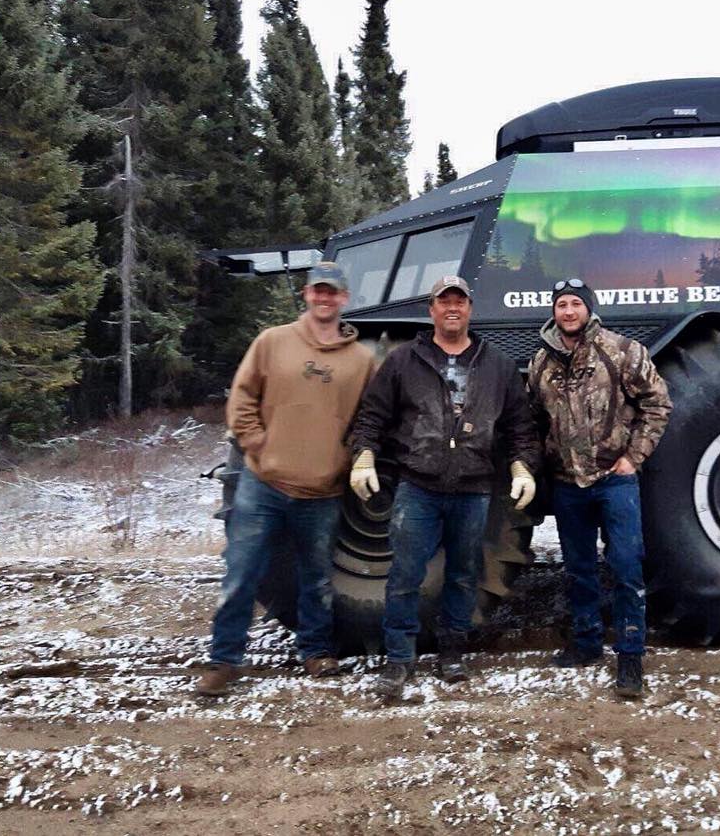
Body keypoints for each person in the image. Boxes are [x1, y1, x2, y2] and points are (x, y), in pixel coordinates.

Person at [349, 275, 540, 701]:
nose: (452, 308)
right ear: (431, 310)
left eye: (460, 301)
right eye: (443, 302)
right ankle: (399, 658)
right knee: (404, 575)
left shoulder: (497, 364)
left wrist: (523, 467)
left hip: (474, 489)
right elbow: (373, 416)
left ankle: (452, 653)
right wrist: (363, 455)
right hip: (418, 486)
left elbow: (519, 427)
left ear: (470, 309)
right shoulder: (403, 361)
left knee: (462, 575)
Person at [196, 262, 374, 697]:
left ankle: (315, 652)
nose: (325, 298)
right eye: (318, 291)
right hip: (264, 486)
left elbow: (371, 420)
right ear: (307, 294)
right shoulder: (273, 342)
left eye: (333, 292)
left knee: (316, 578)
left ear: (345, 299)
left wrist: (346, 461)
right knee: (241, 572)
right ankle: (223, 661)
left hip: (323, 492)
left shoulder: (362, 360)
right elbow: (242, 397)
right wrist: (260, 446)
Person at [527, 279, 672, 698]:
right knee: (579, 571)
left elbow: (657, 404)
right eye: (562, 305)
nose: (569, 312)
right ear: (554, 311)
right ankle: (587, 643)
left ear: (589, 308)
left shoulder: (622, 351)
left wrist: (633, 457)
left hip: (614, 480)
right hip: (567, 485)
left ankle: (630, 656)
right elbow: (533, 421)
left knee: (626, 567)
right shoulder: (541, 363)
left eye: (576, 304)